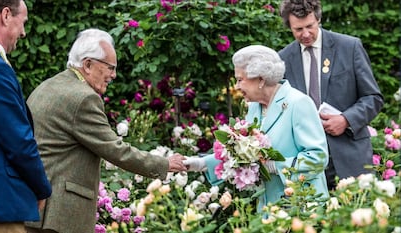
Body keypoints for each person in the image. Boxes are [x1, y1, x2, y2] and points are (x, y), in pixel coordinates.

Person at [24, 28, 187, 233]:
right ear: (88, 64)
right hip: (59, 215)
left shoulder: (47, 86)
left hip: (35, 205)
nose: (114, 75)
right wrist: (164, 164)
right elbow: (115, 149)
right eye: (110, 67)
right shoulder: (83, 98)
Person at [184, 45, 329, 211]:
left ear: (260, 79)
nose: (237, 86)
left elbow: (318, 157)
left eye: (240, 80)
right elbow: (242, 154)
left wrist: (275, 166)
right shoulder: (254, 107)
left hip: (301, 206)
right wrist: (198, 163)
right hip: (268, 207)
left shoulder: (298, 103)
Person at [278, 0, 384, 190]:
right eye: (298, 29)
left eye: (310, 26)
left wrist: (346, 119)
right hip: (306, 164)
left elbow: (373, 98)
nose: (305, 34)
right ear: (289, 27)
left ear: (318, 18)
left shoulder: (350, 47)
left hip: (350, 155)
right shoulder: (283, 59)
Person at [0, 0, 52, 232]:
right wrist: (42, 188)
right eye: (22, 22)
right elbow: (18, 142)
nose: (23, 32)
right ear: (6, 15)